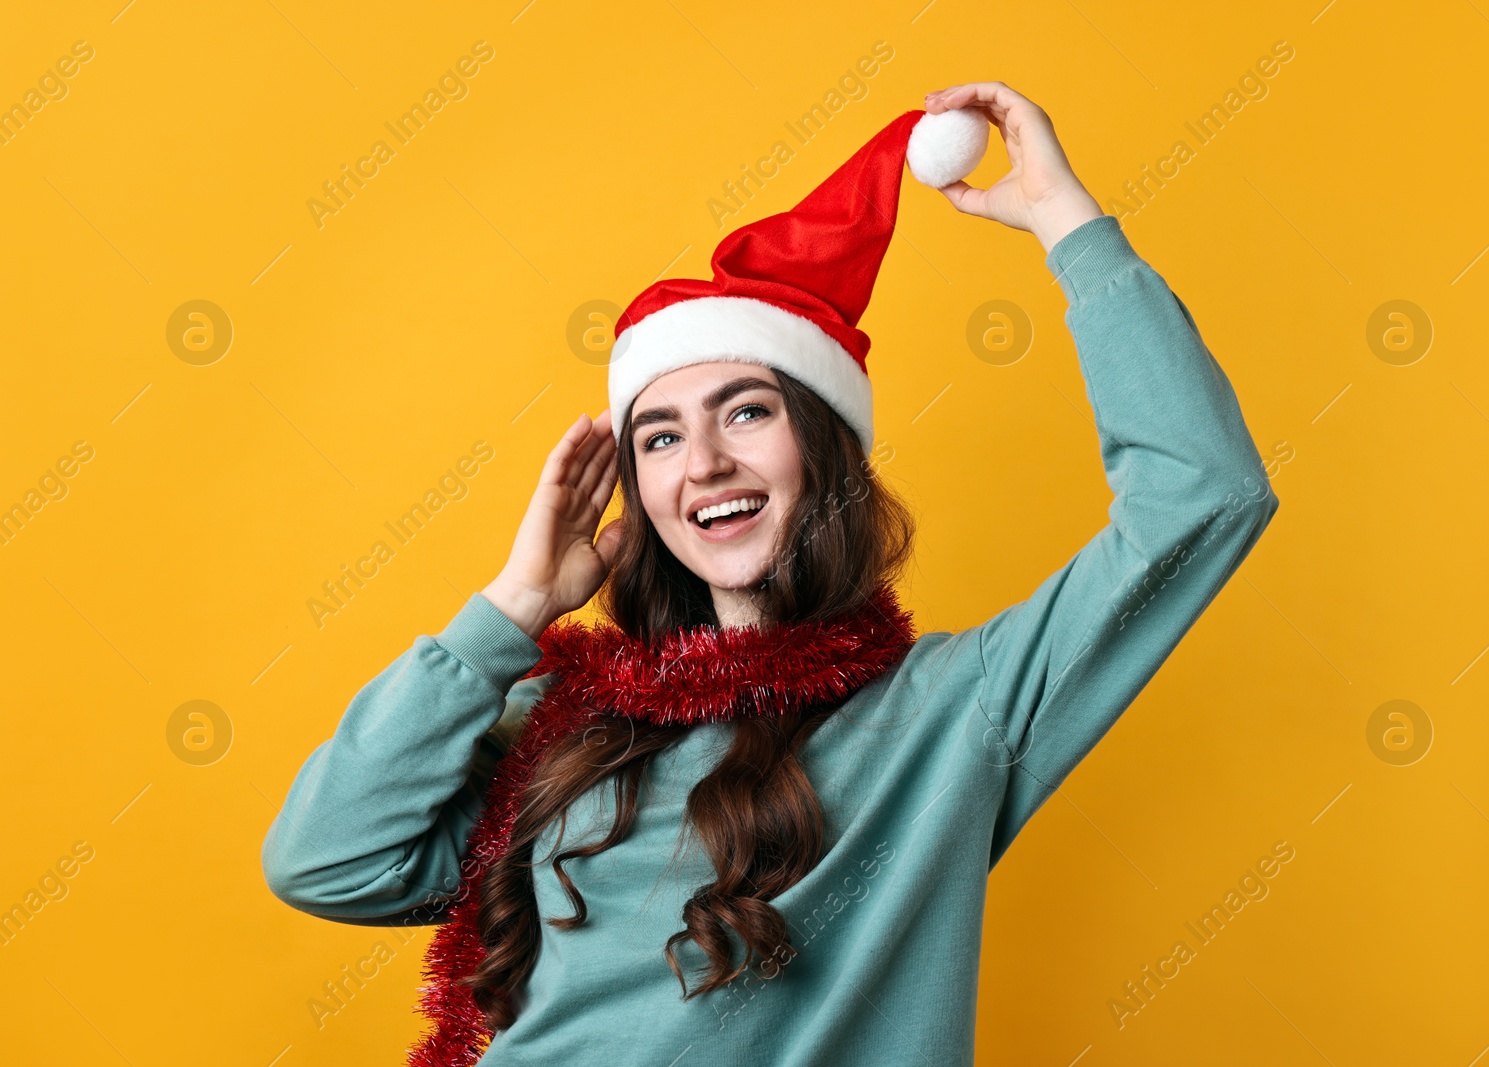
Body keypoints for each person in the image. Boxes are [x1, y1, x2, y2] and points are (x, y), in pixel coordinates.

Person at [262, 81, 1279, 1066]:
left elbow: (1203, 497)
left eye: (745, 411)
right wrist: (514, 606)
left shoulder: (955, 711)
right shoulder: (573, 720)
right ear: (640, 492)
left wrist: (1065, 219)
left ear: (823, 448)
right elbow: (326, 859)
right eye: (658, 437)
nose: (702, 461)